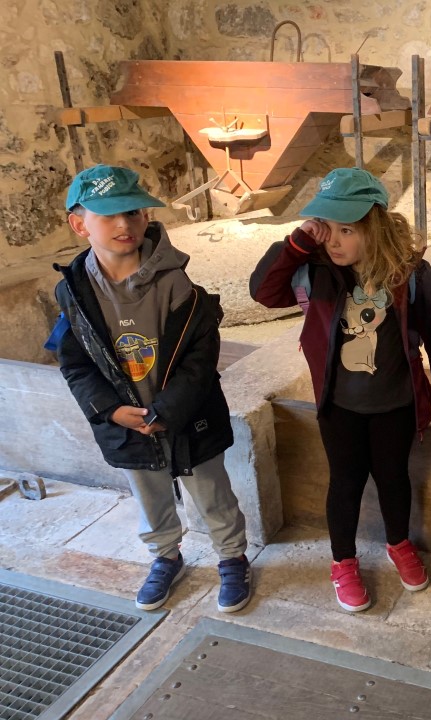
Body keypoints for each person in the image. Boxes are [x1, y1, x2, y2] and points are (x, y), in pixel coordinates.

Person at [51, 164, 251, 613]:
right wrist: (108, 410)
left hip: (188, 417)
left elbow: (200, 357)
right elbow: (75, 363)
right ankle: (165, 556)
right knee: (149, 494)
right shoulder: (73, 293)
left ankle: (232, 557)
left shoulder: (178, 284)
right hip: (126, 422)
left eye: (134, 212)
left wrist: (169, 410)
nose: (125, 223)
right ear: (80, 225)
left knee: (211, 492)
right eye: (109, 215)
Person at [250, 167, 431, 612]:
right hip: (340, 406)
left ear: (374, 226)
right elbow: (264, 292)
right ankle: (343, 561)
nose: (334, 241)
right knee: (345, 482)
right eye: (327, 228)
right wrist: (299, 242)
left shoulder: (410, 273)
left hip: (396, 403)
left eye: (347, 230)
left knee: (394, 477)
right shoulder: (315, 270)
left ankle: (398, 543)